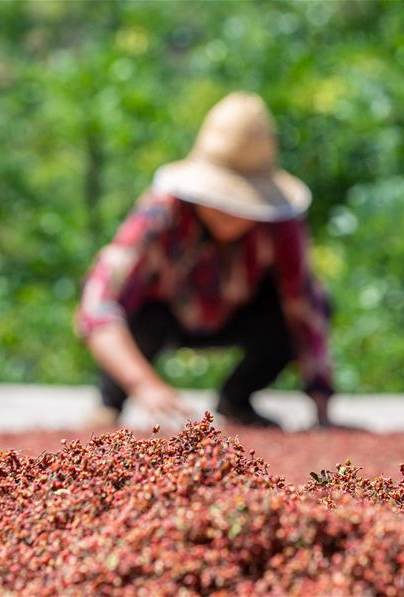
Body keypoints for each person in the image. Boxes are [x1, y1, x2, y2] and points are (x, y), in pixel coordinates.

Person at [75, 92, 336, 429]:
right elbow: (98, 304)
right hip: (163, 318)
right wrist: (143, 384)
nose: (229, 210)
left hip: (239, 315)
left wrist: (322, 404)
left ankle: (237, 401)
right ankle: (110, 403)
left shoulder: (282, 228)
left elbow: (304, 308)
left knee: (309, 303)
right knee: (141, 319)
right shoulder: (160, 213)